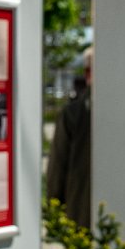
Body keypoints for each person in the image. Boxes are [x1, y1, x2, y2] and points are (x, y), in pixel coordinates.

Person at [46, 46, 93, 227]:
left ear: (88, 73)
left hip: (80, 215)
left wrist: (54, 210)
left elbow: (58, 165)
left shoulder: (73, 113)